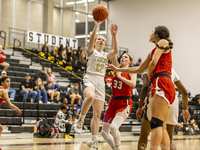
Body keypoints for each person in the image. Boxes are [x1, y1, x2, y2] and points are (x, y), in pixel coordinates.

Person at [108, 25, 176, 150]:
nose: (150, 33)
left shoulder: (163, 41)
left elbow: (154, 62)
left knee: (156, 123)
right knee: (161, 125)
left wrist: (150, 74)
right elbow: (138, 69)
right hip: (164, 84)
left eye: (152, 32)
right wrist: (118, 69)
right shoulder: (153, 50)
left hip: (161, 81)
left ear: (157, 34)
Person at [74, 22, 119, 149]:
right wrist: (97, 26)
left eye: (103, 40)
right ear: (95, 42)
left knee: (97, 115)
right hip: (90, 77)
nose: (100, 40)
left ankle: (94, 140)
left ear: (105, 44)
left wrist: (114, 35)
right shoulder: (91, 51)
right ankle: (80, 120)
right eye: (99, 39)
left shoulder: (106, 55)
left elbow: (115, 51)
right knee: (90, 97)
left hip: (101, 81)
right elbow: (92, 38)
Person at [136, 69, 190, 150]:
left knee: (143, 139)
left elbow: (145, 88)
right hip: (172, 100)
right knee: (169, 140)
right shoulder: (171, 69)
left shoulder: (150, 67)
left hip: (157, 97)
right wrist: (185, 109)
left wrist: (140, 107)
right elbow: (184, 92)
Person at [102, 52, 137, 150]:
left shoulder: (131, 71)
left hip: (124, 102)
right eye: (122, 57)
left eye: (126, 57)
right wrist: (114, 36)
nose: (123, 58)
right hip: (113, 101)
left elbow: (133, 84)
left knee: (113, 127)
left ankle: (118, 147)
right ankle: (115, 148)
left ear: (130, 61)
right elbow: (114, 52)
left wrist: (120, 76)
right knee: (104, 132)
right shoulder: (116, 68)